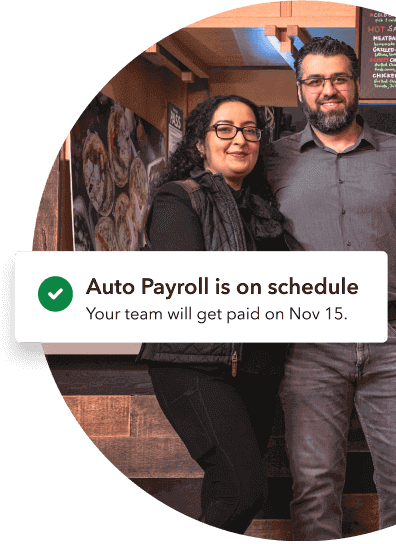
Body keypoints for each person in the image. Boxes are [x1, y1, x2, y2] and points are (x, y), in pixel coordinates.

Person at [264, 37, 396, 539]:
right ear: (300, 89)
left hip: (394, 337)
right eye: (315, 81)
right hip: (308, 343)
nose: (328, 90)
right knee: (313, 488)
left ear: (355, 84)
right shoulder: (273, 160)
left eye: (338, 79)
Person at [137, 95, 301, 534]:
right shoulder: (179, 198)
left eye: (250, 130)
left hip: (257, 370)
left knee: (224, 487)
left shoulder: (265, 208)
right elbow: (188, 287)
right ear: (199, 143)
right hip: (195, 367)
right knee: (244, 489)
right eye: (225, 129)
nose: (239, 139)